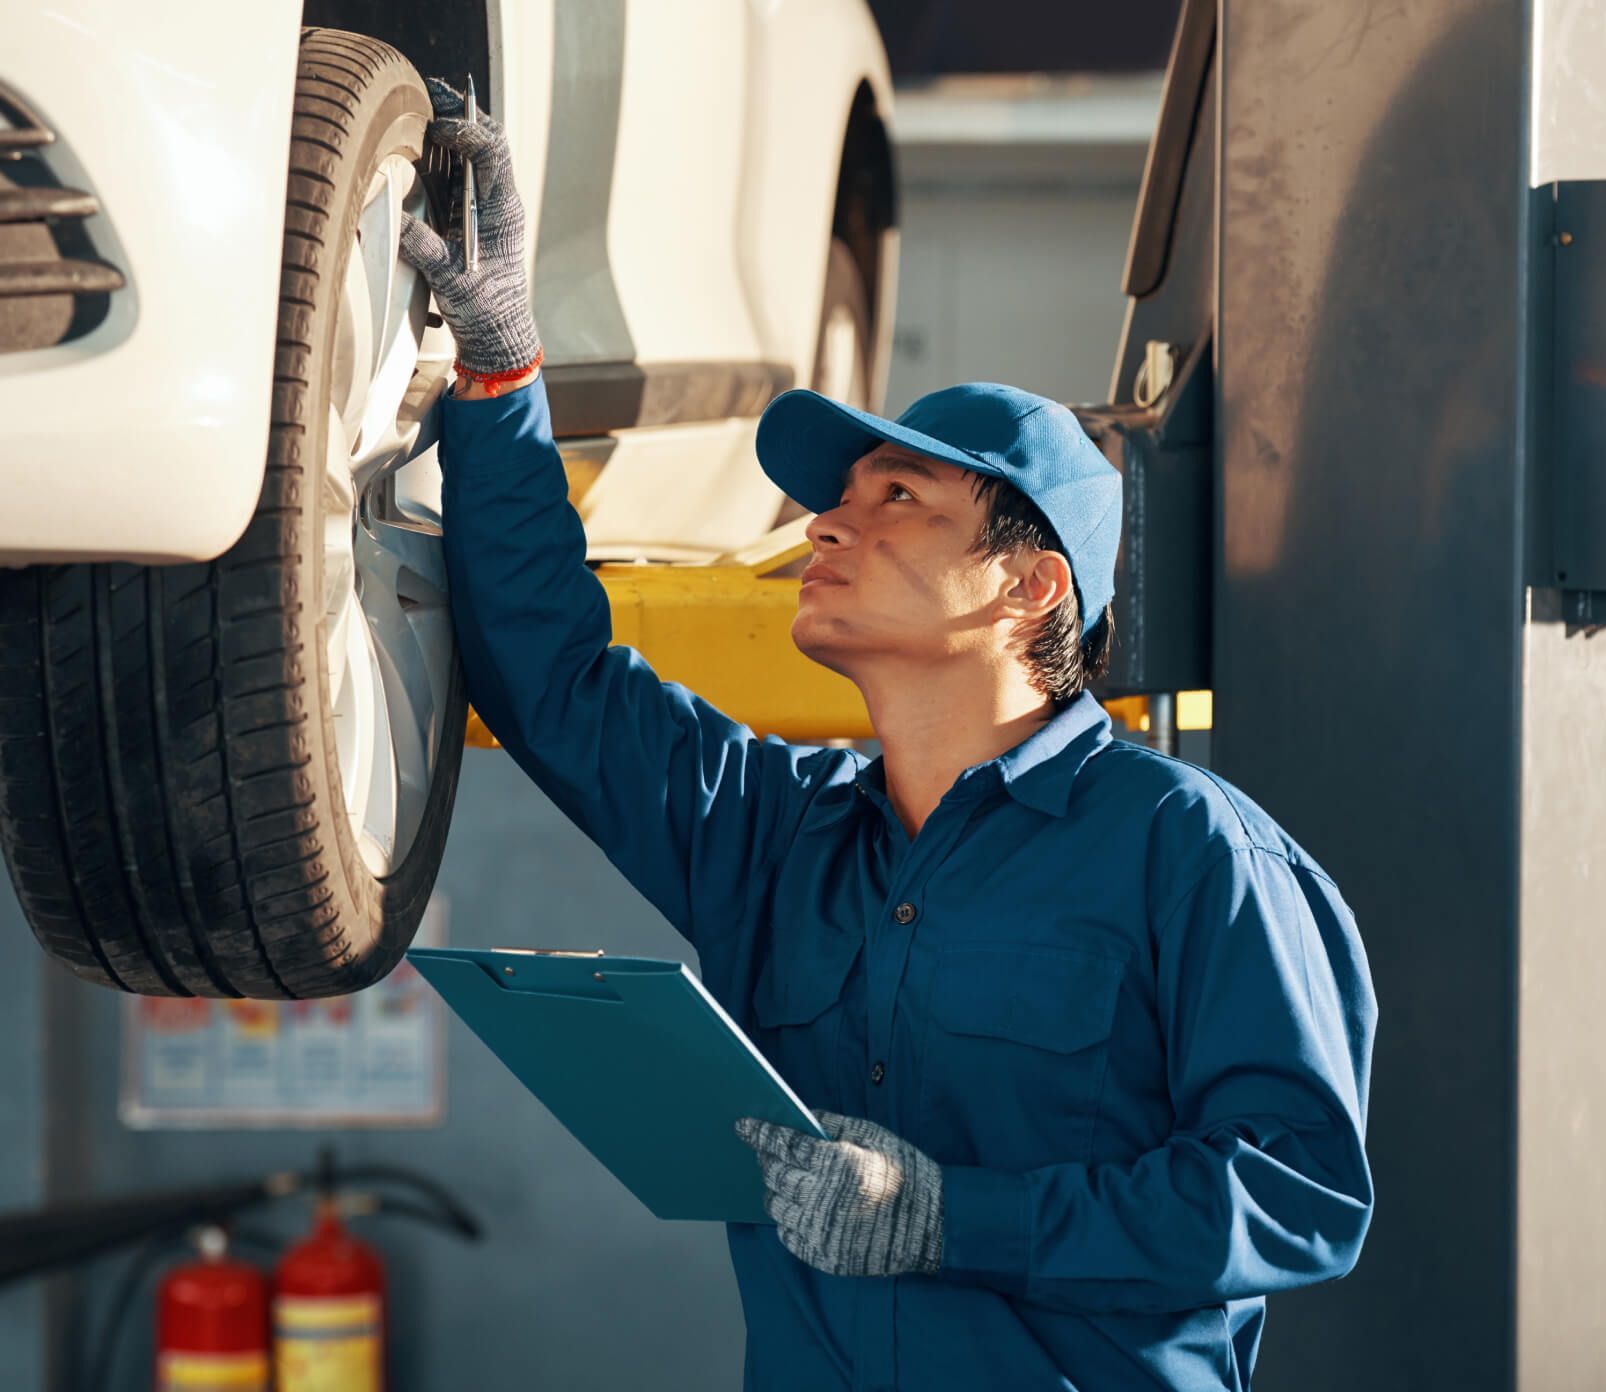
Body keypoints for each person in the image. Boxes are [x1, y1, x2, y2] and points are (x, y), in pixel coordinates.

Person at [398, 78, 1376, 1392]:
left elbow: (1299, 1195)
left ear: (1031, 587)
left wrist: (947, 1220)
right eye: (833, 501)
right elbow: (548, 677)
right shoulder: (767, 830)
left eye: (896, 497)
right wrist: (503, 356)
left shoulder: (1191, 856)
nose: (828, 526)